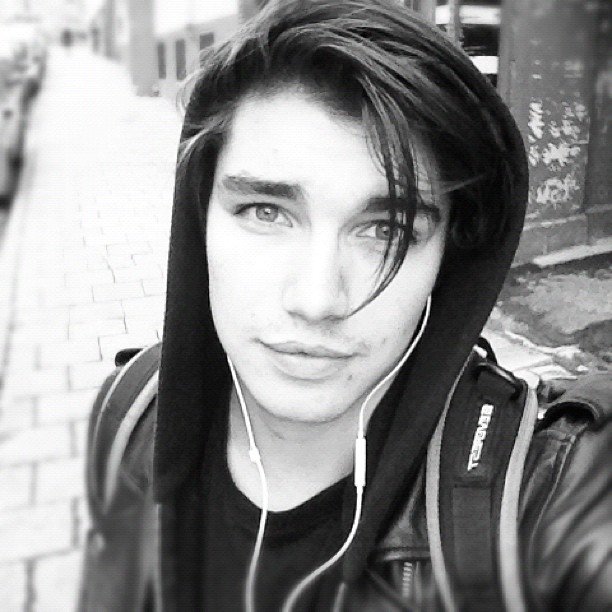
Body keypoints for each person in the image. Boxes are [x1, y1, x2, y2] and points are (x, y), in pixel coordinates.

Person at [78, 1, 611, 610]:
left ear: (449, 257)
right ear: (200, 220)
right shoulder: (129, 417)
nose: (317, 301)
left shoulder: (546, 489)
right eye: (266, 213)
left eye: (386, 230)